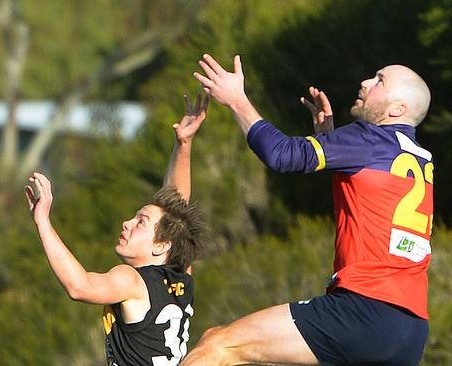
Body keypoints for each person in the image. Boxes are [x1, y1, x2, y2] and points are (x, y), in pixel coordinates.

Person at [182, 54, 433, 366]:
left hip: (363, 310)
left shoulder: (367, 139)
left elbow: (282, 155)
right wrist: (330, 139)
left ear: (397, 109)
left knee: (219, 344)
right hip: (411, 329)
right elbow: (368, 190)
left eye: (380, 80)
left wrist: (237, 100)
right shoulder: (420, 158)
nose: (366, 82)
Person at [25, 94, 210, 366]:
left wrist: (43, 223)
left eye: (141, 222)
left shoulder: (131, 280)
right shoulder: (182, 274)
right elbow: (176, 211)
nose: (127, 223)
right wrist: (183, 145)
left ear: (160, 245)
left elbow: (79, 287)